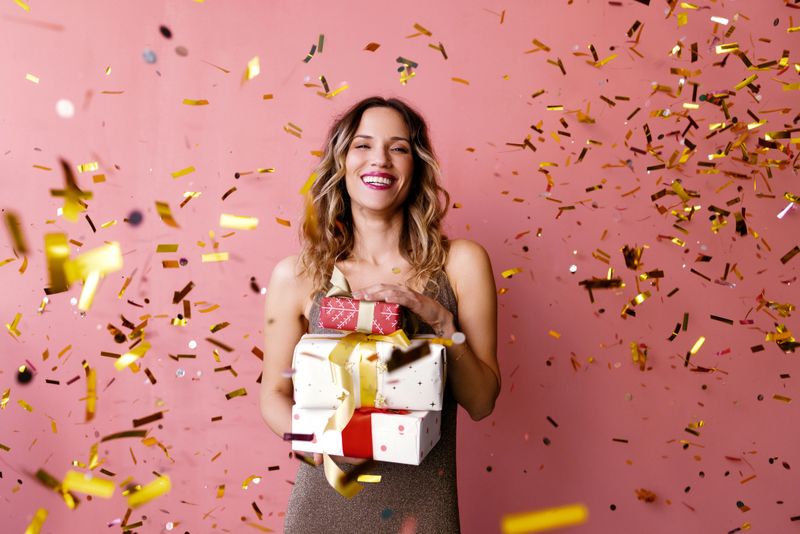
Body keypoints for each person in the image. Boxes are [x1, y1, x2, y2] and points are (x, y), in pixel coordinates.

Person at [259, 96, 500, 533]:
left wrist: (442, 323)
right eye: (363, 145)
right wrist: (319, 447)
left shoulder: (461, 264)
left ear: (417, 165)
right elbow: (273, 396)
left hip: (422, 510)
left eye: (399, 147)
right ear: (341, 161)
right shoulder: (295, 276)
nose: (380, 160)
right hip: (324, 505)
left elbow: (482, 403)